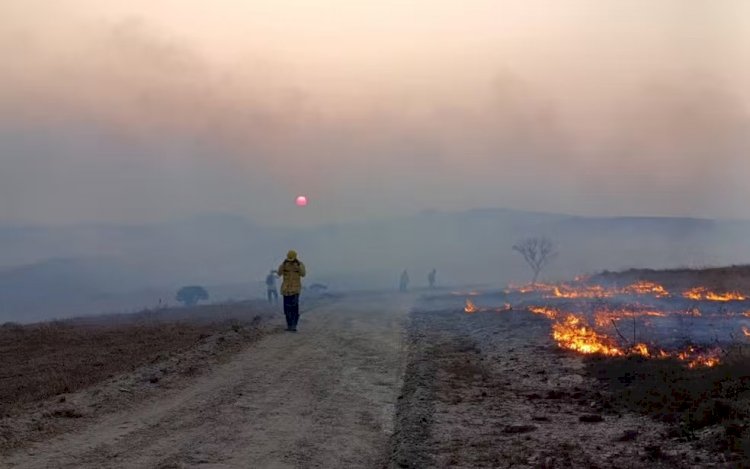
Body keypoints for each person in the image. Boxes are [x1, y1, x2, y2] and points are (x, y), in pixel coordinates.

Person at [277, 250, 306, 332]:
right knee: (287, 309)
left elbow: (303, 274)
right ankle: (289, 325)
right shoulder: (284, 264)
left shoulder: (300, 264)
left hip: (295, 290)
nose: (291, 261)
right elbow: (279, 273)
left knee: (294, 308)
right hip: (286, 290)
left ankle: (294, 326)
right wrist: (282, 265)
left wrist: (299, 265)